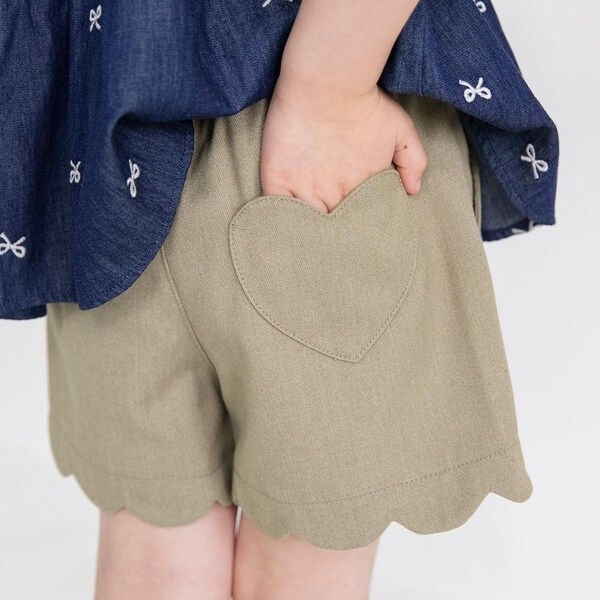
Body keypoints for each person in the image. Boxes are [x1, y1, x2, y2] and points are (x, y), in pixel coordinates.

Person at [1, 0, 559, 598]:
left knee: (159, 554)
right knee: (277, 560)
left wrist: (330, 90)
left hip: (125, 128)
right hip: (261, 115)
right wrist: (331, 89)